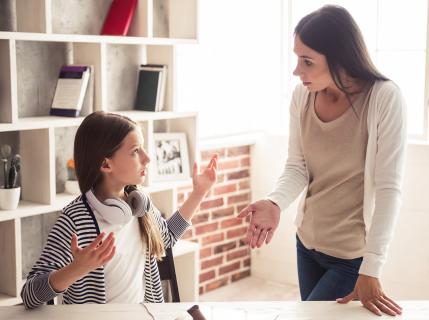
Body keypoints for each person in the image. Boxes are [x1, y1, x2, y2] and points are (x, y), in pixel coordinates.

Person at [238, 5, 406, 317]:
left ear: (340, 57)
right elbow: (297, 166)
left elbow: (388, 189)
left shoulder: (384, 98)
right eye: (296, 57)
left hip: (350, 257)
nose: (296, 70)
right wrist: (275, 203)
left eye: (307, 61)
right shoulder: (302, 97)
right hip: (307, 245)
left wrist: (372, 267)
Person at [21, 111, 217, 309]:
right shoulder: (74, 220)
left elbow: (167, 237)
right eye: (135, 151)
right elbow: (29, 295)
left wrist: (199, 193)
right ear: (106, 164)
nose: (147, 158)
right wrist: (76, 269)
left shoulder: (139, 204)